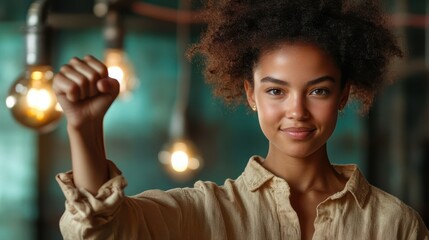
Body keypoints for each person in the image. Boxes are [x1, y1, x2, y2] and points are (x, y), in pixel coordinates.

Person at [54, 0, 429, 239]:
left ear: (344, 94)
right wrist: (84, 129)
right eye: (276, 91)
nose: (296, 111)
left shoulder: (394, 224)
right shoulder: (201, 213)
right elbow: (101, 231)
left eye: (318, 91)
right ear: (250, 94)